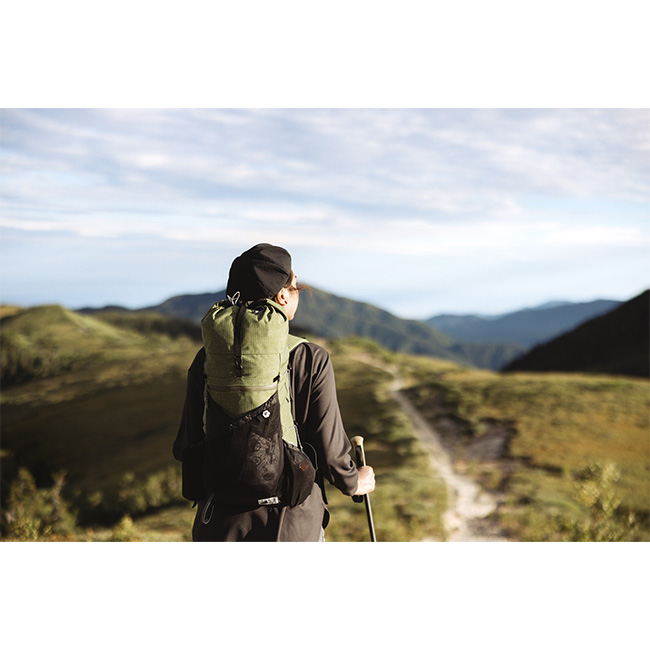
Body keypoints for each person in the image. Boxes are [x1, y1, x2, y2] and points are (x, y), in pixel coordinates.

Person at [173, 243, 375, 541]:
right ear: (282, 295)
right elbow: (330, 452)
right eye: (297, 287)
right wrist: (355, 481)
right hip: (291, 523)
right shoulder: (311, 357)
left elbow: (187, 444)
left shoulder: (208, 358)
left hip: (218, 523)